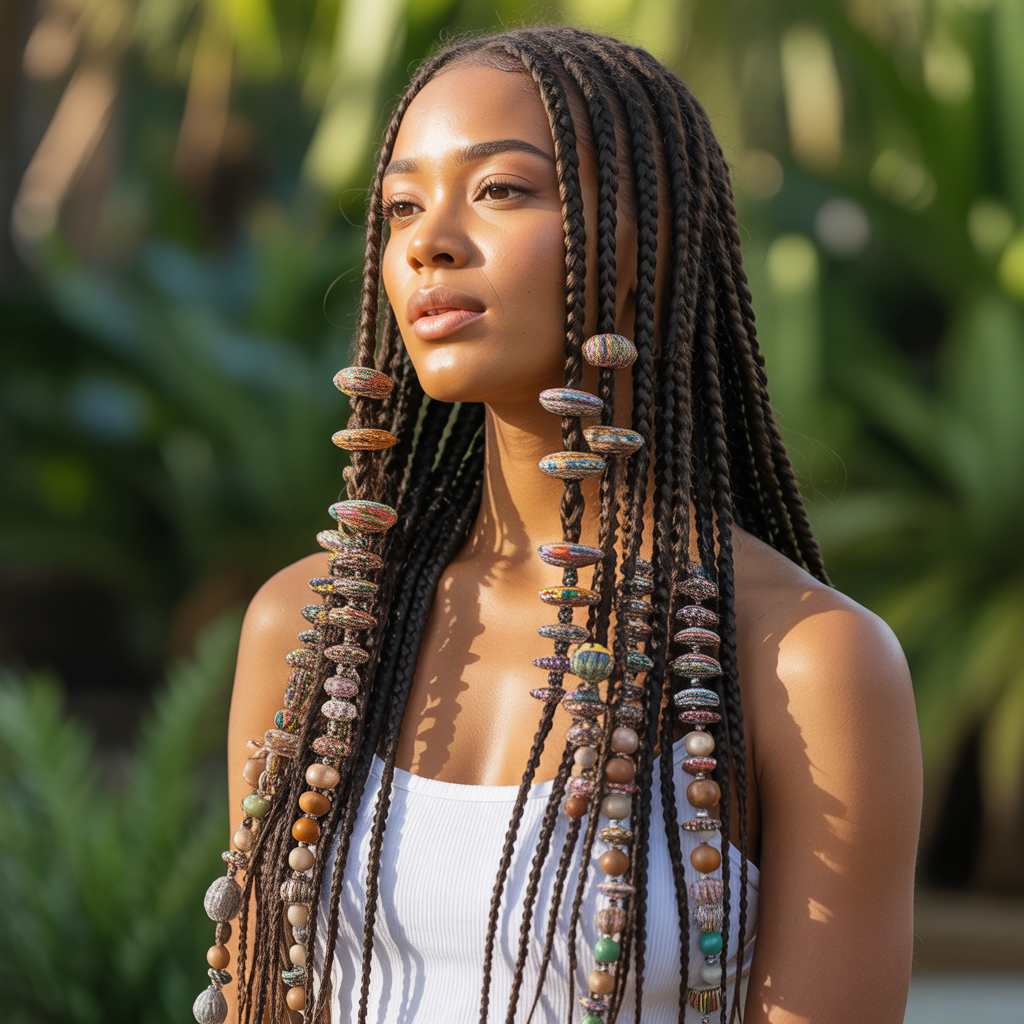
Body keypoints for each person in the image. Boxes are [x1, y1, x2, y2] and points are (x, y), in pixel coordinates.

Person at [195, 25, 922, 1024]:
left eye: (500, 189)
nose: (430, 240)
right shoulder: (310, 630)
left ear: (647, 240)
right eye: (402, 205)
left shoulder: (807, 664)